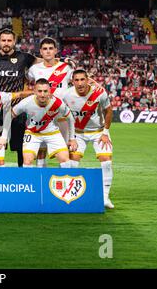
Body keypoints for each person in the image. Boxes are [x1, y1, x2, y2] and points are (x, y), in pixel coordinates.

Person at [63, 69, 114, 209]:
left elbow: (109, 110)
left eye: (82, 79)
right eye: (76, 80)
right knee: (72, 164)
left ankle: (104, 198)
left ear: (87, 80)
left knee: (107, 162)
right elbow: (61, 114)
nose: (79, 83)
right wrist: (69, 136)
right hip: (77, 134)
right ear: (72, 81)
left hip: (98, 132)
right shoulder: (66, 95)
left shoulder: (99, 93)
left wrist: (105, 132)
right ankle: (71, 196)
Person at [27, 37, 74, 168]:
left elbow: (76, 82)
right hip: (40, 114)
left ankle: (63, 181)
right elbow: (28, 83)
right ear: (40, 52)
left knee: (64, 150)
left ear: (56, 51)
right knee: (41, 151)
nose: (48, 51)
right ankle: (41, 182)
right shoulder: (34, 69)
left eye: (51, 48)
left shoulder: (66, 68)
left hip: (61, 114)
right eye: (45, 49)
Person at [10, 78, 77, 168]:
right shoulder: (26, 103)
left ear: (49, 91)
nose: (42, 94)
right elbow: (10, 116)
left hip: (52, 133)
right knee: (27, 161)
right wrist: (3, 136)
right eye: (40, 91)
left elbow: (70, 118)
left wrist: (72, 138)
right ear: (34, 91)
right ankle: (31, 182)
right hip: (32, 133)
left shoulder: (57, 103)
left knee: (65, 160)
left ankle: (63, 180)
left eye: (45, 91)